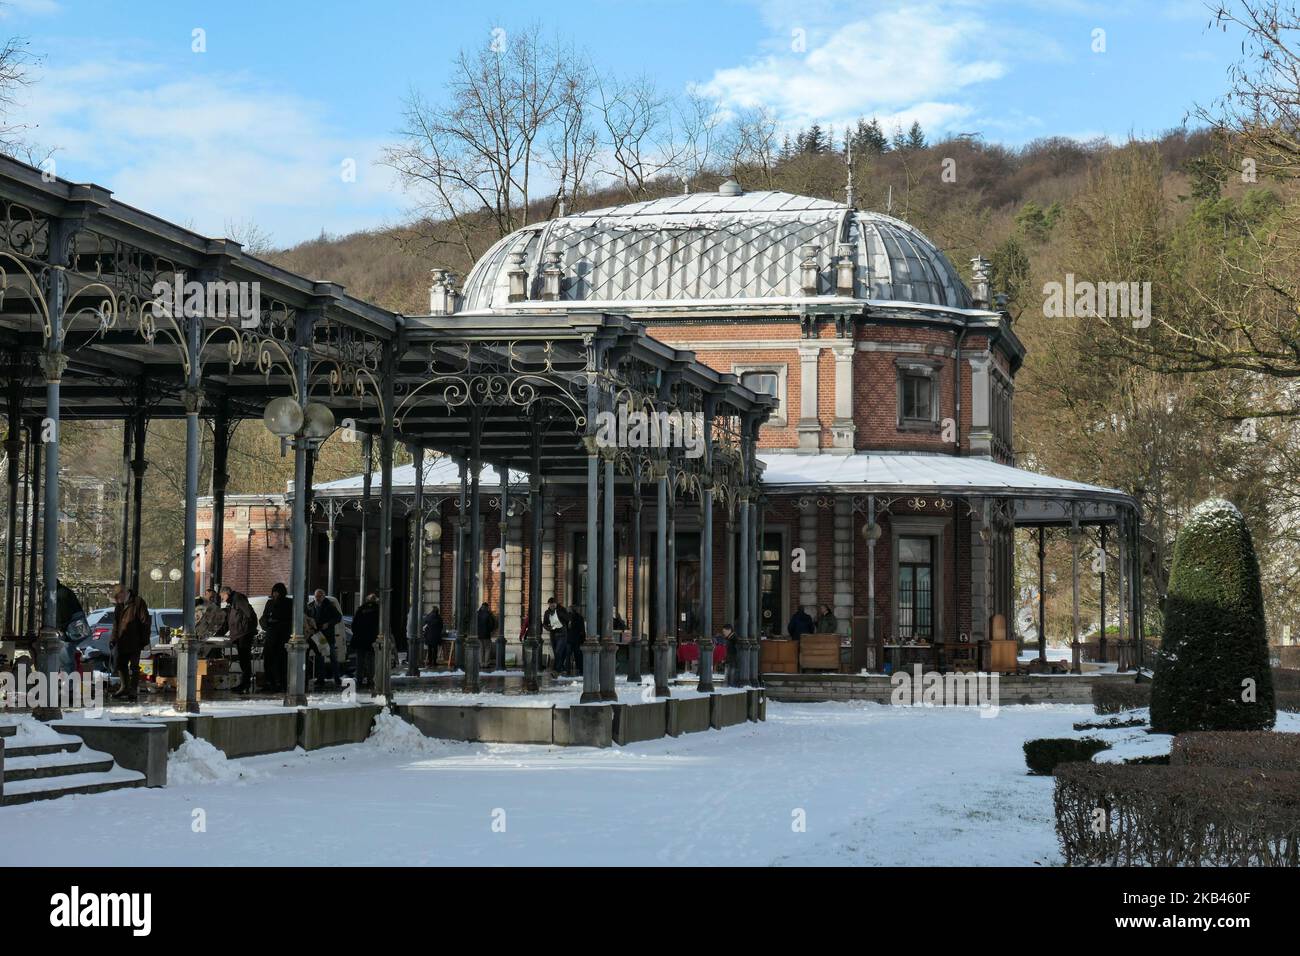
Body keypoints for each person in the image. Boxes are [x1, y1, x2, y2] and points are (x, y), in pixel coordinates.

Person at [109, 585, 150, 702]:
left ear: (123, 593)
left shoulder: (138, 602)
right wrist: (113, 638)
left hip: (135, 640)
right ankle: (124, 687)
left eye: (117, 598)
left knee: (134, 666)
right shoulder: (119, 606)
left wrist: (144, 640)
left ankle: (132, 689)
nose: (117, 601)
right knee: (121, 664)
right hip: (122, 640)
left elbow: (145, 621)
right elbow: (116, 624)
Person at [220, 585, 257, 694]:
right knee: (243, 659)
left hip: (243, 634)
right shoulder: (233, 602)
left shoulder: (238, 599)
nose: (222, 599)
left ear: (226, 594)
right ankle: (244, 683)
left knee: (244, 659)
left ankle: (245, 684)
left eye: (222, 596)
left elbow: (249, 613)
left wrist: (246, 628)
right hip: (240, 634)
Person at [259, 583, 293, 693]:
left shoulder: (288, 603)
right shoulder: (270, 603)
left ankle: (280, 682)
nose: (275, 594)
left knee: (281, 660)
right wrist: (266, 623)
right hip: (271, 634)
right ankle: (270, 681)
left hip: (282, 635)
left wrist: (277, 622)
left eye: (277, 592)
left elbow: (289, 619)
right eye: (274, 592)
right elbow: (264, 617)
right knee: (268, 659)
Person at [307, 588, 343, 689]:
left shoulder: (329, 605)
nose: (318, 598)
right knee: (319, 658)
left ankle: (337, 678)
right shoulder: (310, 606)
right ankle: (320, 679)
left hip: (328, 635)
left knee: (332, 657)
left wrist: (329, 624)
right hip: (317, 635)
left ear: (323, 596)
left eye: (320, 596)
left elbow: (338, 617)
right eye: (316, 596)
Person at [352, 592, 380, 689]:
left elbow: (354, 624)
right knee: (371, 661)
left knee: (360, 661)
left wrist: (357, 634)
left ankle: (359, 680)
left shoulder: (360, 609)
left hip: (360, 639)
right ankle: (370, 680)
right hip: (372, 639)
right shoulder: (378, 610)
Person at [542, 597, 569, 672]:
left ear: (556, 604)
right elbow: (544, 623)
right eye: (550, 605)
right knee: (556, 652)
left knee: (558, 651)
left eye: (553, 604)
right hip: (553, 634)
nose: (552, 606)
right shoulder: (547, 613)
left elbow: (568, 618)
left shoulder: (562, 610)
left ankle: (557, 669)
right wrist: (548, 628)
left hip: (562, 634)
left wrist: (559, 613)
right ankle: (560, 666)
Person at [565, 605, 586, 676]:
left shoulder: (576, 618)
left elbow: (582, 631)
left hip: (573, 639)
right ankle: (579, 670)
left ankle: (572, 670)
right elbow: (582, 631)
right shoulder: (569, 618)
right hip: (574, 639)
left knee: (574, 655)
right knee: (575, 656)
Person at [476, 600, 497, 669]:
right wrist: (490, 631)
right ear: (487, 607)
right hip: (486, 635)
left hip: (479, 635)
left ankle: (481, 663)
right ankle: (486, 663)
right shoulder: (488, 614)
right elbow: (492, 624)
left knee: (481, 649)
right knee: (487, 649)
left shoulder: (477, 614)